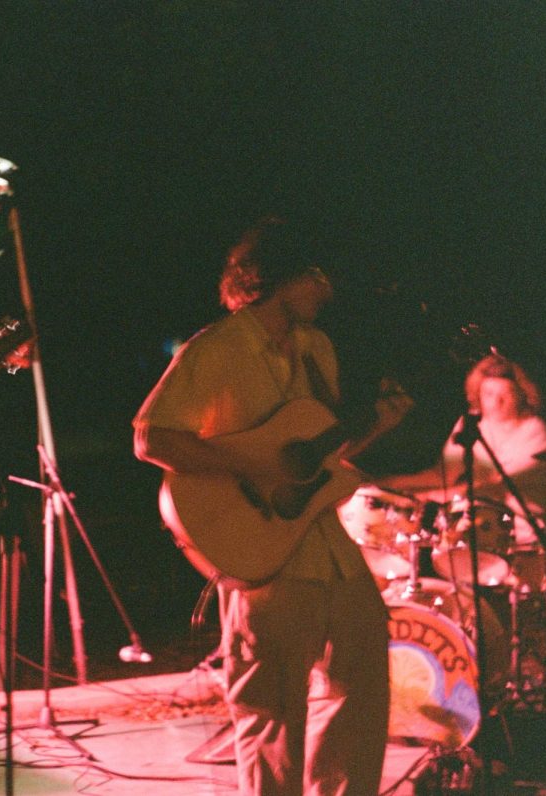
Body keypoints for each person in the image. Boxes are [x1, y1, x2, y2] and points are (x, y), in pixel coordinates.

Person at [133, 217, 390, 795]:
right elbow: (151, 438)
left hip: (326, 544)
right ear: (279, 277)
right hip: (261, 546)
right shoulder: (216, 349)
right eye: (317, 276)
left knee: (364, 677)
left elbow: (318, 455)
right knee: (273, 712)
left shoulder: (318, 349)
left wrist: (379, 427)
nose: (327, 289)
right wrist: (257, 466)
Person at [379, 353, 546, 576]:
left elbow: (493, 488)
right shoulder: (472, 423)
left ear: (522, 395)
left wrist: (434, 495)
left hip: (523, 541)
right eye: (489, 393)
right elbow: (442, 475)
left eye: (506, 394)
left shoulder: (535, 431)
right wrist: (391, 483)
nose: (496, 402)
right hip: (471, 533)